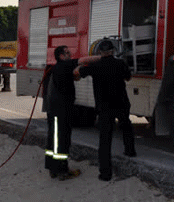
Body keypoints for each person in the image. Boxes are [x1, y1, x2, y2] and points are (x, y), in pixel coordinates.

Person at [75, 39, 135, 182]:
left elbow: (77, 74)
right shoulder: (120, 64)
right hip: (121, 103)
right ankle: (130, 151)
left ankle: (105, 174)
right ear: (113, 51)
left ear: (100, 52)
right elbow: (128, 78)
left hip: (104, 107)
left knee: (105, 140)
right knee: (126, 125)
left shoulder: (95, 66)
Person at [44, 45, 100, 180]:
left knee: (54, 140)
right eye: (68, 52)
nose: (70, 54)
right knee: (61, 140)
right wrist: (103, 57)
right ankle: (62, 171)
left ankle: (53, 168)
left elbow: (75, 76)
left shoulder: (59, 68)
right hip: (60, 111)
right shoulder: (65, 65)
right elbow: (84, 60)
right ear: (61, 56)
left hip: (57, 110)